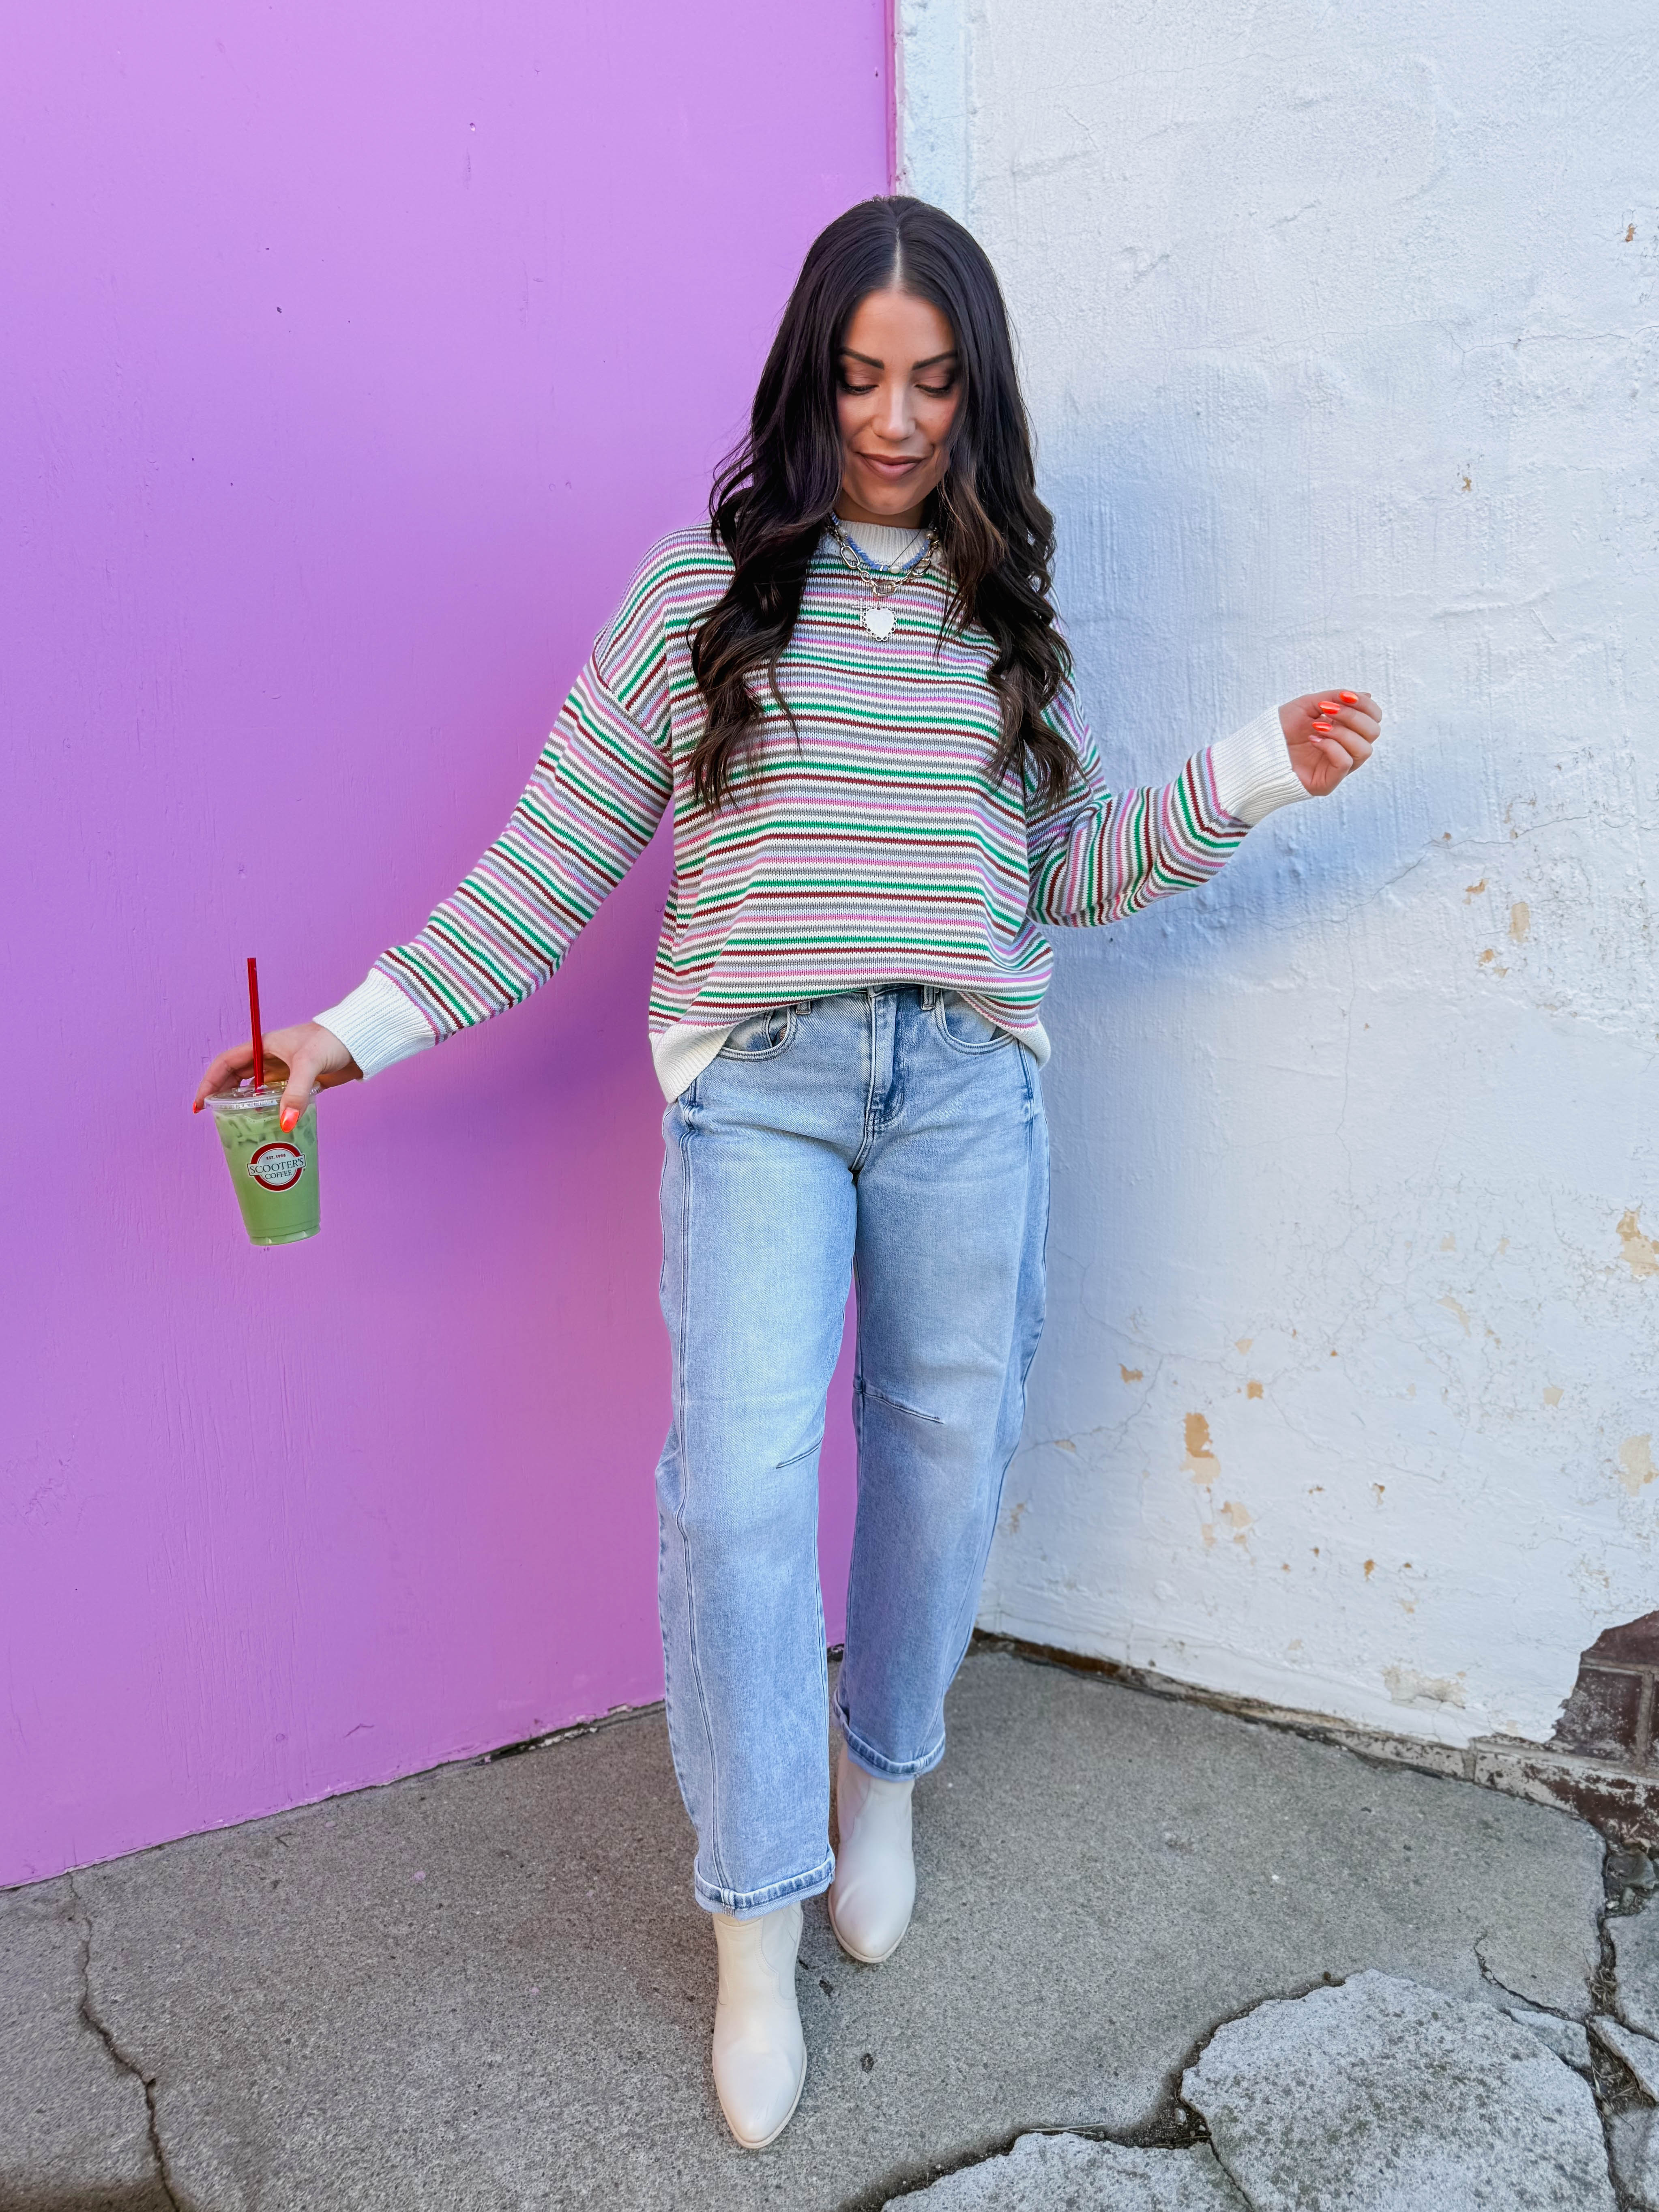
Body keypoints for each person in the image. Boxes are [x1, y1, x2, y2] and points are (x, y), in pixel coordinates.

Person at [194, 196, 1381, 2150]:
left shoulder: (1004, 616)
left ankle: (880, 1777)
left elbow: (1058, 874)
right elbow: (549, 861)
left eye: (934, 382)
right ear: (807, 381)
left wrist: (1255, 769)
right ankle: (755, 1921)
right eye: (860, 378)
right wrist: (344, 1032)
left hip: (967, 1088)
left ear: (978, 394)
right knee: (740, 1492)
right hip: (759, 1090)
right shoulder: (703, 597)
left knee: (944, 1443)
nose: (896, 420)